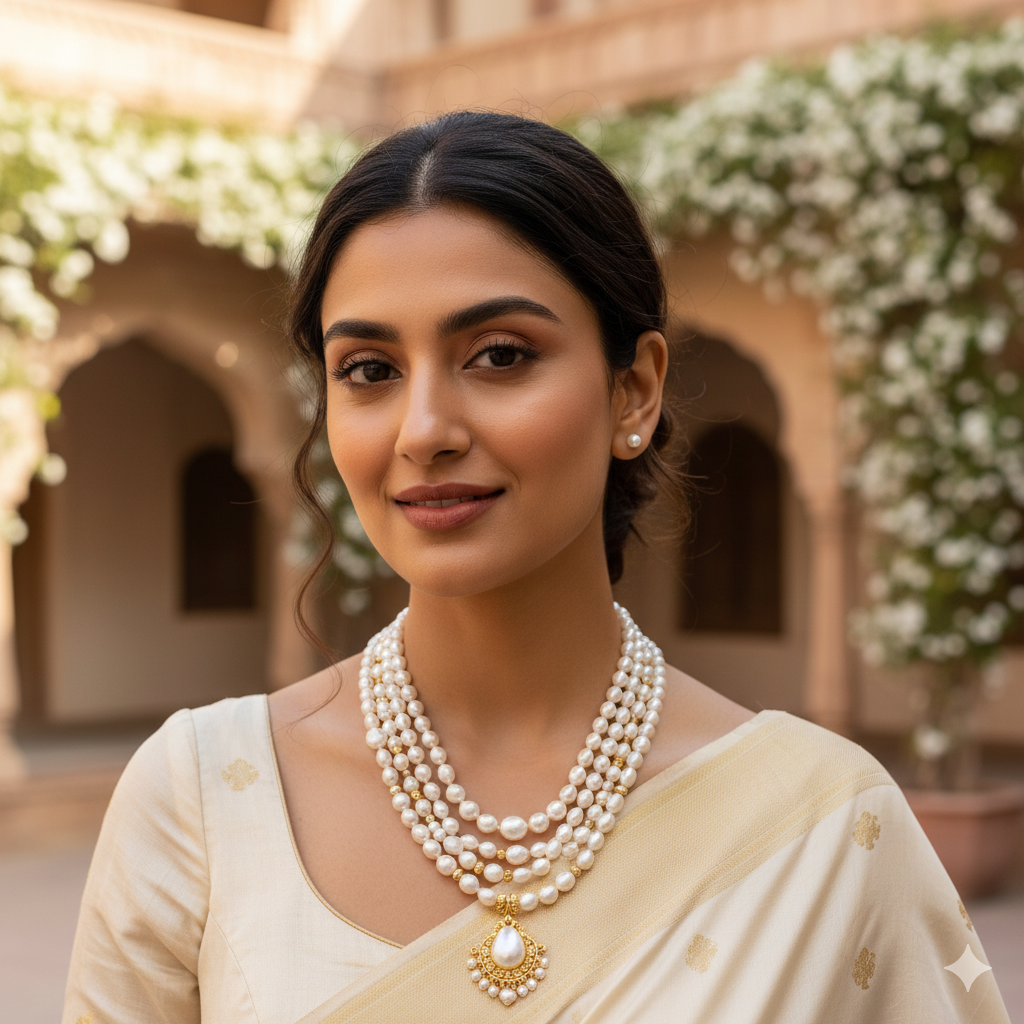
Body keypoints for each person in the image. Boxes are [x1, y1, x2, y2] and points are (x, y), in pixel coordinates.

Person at [62, 111, 1011, 1024]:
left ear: (633, 389)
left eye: (500, 355)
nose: (425, 431)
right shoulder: (202, 800)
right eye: (368, 370)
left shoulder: (824, 832)